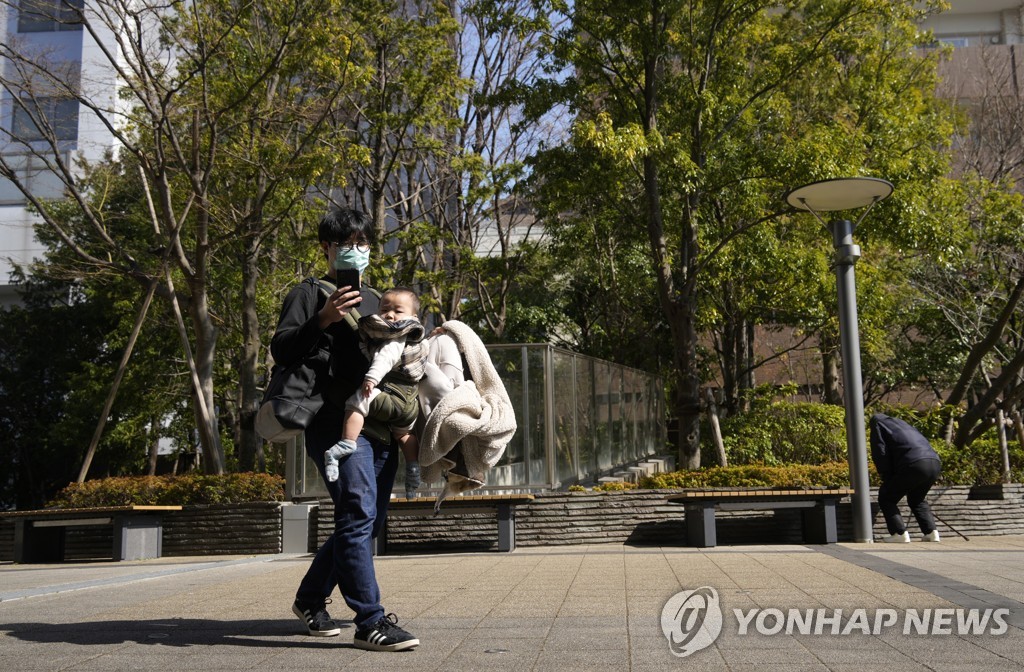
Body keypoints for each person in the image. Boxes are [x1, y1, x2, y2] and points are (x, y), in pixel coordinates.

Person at [270, 206, 419, 651]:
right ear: (326, 249)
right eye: (345, 245)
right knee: (356, 514)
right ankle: (370, 620)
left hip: (381, 424)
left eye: (362, 244)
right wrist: (323, 321)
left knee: (366, 522)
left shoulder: (378, 298)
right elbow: (281, 349)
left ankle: (310, 599)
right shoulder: (310, 293)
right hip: (333, 423)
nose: (355, 252)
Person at [325, 287, 426, 499]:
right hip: (409, 404)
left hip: (391, 395)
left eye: (398, 311)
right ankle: (413, 468)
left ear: (413, 317)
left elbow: (385, 358)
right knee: (404, 434)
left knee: (357, 402)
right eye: (385, 309)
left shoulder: (396, 335)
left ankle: (346, 442)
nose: (390, 315)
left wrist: (371, 378)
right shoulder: (419, 339)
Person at [869, 413, 942, 543]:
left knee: (887, 497)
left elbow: (880, 451)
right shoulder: (905, 426)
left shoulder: (878, 425)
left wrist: (885, 474)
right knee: (917, 499)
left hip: (914, 464)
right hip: (934, 462)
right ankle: (931, 532)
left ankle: (899, 533)